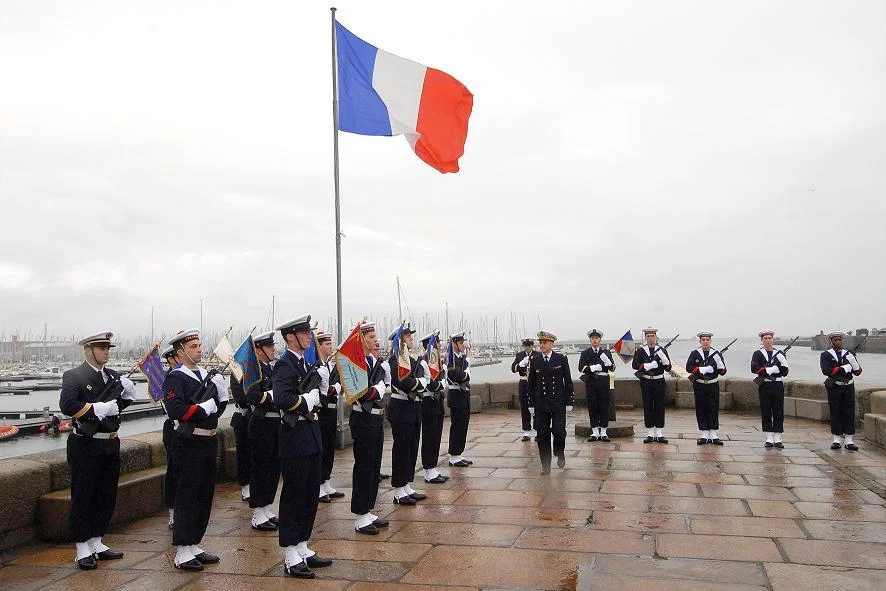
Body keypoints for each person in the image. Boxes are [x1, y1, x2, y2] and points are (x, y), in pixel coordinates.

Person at [60, 331, 135, 570]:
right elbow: (68, 405)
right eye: (102, 348)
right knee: (84, 495)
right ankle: (82, 547)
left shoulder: (112, 376)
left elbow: (116, 407)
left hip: (110, 442)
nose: (106, 352)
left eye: (108, 348)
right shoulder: (74, 376)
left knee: (106, 494)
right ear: (88, 350)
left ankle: (96, 541)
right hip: (86, 444)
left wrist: (128, 396)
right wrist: (97, 408)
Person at [162, 329, 229, 571]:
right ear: (180, 352)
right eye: (193, 347)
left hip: (208, 441)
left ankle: (194, 543)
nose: (199, 350)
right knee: (187, 496)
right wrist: (202, 408)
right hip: (188, 443)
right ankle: (182, 550)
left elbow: (216, 412)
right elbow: (176, 410)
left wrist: (221, 397)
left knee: (204, 495)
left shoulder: (205, 375)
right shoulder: (175, 378)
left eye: (199, 345)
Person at [273, 315, 332, 578]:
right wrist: (306, 400)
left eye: (309, 332)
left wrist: (322, 387)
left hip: (311, 435)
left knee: (310, 495)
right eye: (305, 333)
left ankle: (302, 545)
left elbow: (319, 400)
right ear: (291, 337)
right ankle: (290, 554)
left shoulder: (307, 363)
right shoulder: (284, 365)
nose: (310, 337)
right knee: (294, 496)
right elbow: (282, 399)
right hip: (294, 437)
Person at [350, 322, 390, 535]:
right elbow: (362, 394)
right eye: (372, 337)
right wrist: (380, 388)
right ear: (362, 340)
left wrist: (384, 382)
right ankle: (360, 515)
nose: (376, 340)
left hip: (376, 418)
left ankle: (368, 508)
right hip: (363, 419)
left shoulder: (373, 362)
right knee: (364, 467)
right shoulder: (356, 363)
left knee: (374, 467)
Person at [243, 331, 281, 530]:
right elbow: (252, 396)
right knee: (261, 468)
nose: (273, 349)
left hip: (275, 424)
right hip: (262, 423)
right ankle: (258, 513)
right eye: (269, 346)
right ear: (258, 350)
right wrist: (273, 395)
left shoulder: (272, 370)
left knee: (273, 468)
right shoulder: (253, 371)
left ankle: (266, 507)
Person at [387, 324, 428, 505]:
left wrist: (420, 382)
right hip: (401, 408)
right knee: (401, 450)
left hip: (413, 408)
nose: (411, 339)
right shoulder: (394, 360)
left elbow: (419, 378)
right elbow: (403, 382)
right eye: (408, 336)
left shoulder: (411, 360)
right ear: (400, 340)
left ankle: (406, 485)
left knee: (412, 448)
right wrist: (419, 383)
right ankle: (398, 489)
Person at [527, 330, 574, 474]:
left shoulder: (561, 359)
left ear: (551, 344)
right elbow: (531, 384)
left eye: (545, 343)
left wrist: (569, 401)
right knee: (542, 435)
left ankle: (560, 452)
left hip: (558, 402)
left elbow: (568, 381)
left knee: (559, 432)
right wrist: (531, 404)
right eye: (540, 343)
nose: (542, 345)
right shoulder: (535, 361)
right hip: (541, 403)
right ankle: (545, 465)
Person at [820, 331, 863, 451]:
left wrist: (853, 362)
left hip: (848, 386)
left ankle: (849, 440)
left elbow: (858, 372)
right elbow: (827, 371)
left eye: (839, 340)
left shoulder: (848, 354)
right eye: (835, 340)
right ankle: (836, 439)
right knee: (835, 411)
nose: (838, 342)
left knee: (849, 412)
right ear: (831, 341)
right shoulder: (826, 355)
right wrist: (842, 368)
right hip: (835, 386)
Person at [316, 330, 345, 502]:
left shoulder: (329, 366)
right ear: (319, 346)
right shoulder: (317, 366)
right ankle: (319, 485)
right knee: (322, 449)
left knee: (329, 447)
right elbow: (323, 391)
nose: (330, 347)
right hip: (322, 412)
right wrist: (336, 388)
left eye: (330, 343)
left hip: (332, 411)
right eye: (326, 344)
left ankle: (326, 482)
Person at [686, 331, 728, 445]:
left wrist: (720, 364)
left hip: (713, 384)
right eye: (703, 340)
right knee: (701, 408)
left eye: (707, 340)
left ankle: (713, 434)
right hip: (699, 384)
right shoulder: (695, 353)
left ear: (710, 341)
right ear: (700, 341)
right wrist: (701, 369)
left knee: (713, 408)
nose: (705, 342)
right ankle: (704, 434)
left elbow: (723, 372)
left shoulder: (716, 354)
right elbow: (688, 367)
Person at [632, 328, 672, 443]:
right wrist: (646, 366)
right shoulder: (641, 351)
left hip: (659, 381)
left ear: (656, 337)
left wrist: (665, 360)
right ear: (645, 338)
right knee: (648, 405)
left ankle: (659, 432)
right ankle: (650, 432)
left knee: (659, 406)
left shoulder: (662, 350)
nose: (650, 339)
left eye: (652, 336)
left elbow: (668, 368)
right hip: (646, 381)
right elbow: (635, 365)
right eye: (648, 336)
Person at [419, 331, 449, 484]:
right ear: (429, 345)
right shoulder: (424, 361)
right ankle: (428, 469)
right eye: (437, 343)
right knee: (429, 437)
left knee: (436, 436)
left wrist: (442, 380)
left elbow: (441, 377)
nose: (440, 345)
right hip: (428, 402)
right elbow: (429, 383)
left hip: (437, 401)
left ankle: (432, 467)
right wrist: (442, 384)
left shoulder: (436, 361)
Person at [751, 330, 789, 448]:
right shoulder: (758, 353)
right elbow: (754, 369)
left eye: (770, 338)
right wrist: (769, 370)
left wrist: (782, 365)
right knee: (766, 410)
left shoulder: (779, 354)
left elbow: (785, 372)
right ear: (762, 340)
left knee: (778, 410)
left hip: (777, 384)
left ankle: (777, 437)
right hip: (765, 385)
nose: (768, 340)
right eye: (765, 338)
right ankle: (768, 437)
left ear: (773, 340)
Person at [578, 329, 615, 442]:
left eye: (597, 338)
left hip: (603, 381)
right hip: (591, 381)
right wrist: (592, 368)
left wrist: (608, 362)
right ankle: (594, 432)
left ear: (600, 340)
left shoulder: (606, 352)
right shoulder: (585, 353)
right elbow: (581, 368)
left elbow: (612, 368)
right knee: (592, 406)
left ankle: (603, 432)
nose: (595, 340)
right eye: (593, 338)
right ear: (590, 340)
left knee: (604, 406)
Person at [229, 340, 253, 504]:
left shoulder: (254, 373)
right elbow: (241, 397)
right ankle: (246, 488)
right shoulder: (236, 374)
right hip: (243, 418)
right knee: (244, 455)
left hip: (254, 418)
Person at [446, 332, 473, 467]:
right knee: (457, 425)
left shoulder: (461, 358)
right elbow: (456, 375)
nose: (463, 345)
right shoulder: (450, 358)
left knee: (463, 425)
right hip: (456, 394)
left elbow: (463, 374)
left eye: (463, 342)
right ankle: (453, 456)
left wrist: (466, 371)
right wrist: (467, 374)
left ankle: (458, 453)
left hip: (463, 394)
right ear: (454, 344)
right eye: (460, 343)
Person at [160, 344, 180, 529]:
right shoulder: (168, 379)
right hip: (174, 428)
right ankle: (173, 513)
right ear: (171, 359)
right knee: (174, 471)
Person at [511, 337, 535, 441]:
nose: (527, 347)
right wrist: (521, 364)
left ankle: (537, 430)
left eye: (529, 345)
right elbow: (513, 368)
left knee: (536, 407)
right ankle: (526, 431)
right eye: (525, 345)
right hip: (524, 382)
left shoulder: (537, 355)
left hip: (534, 383)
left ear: (532, 345)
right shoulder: (519, 355)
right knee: (524, 407)